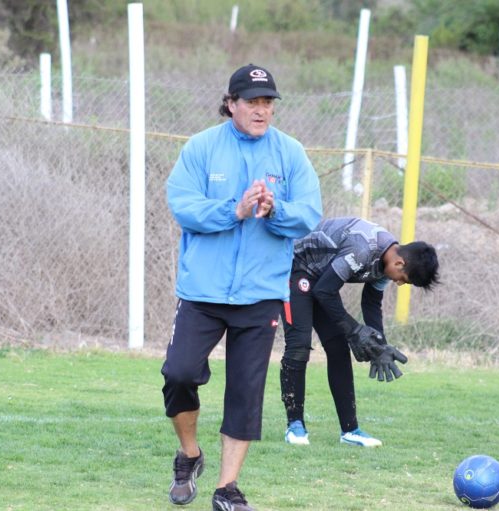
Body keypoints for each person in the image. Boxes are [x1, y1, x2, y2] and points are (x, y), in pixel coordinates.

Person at [161, 64, 323, 511]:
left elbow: (309, 213)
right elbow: (183, 206)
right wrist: (234, 211)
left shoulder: (290, 153)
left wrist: (275, 211)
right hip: (203, 293)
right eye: (252, 101)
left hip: (261, 293)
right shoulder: (201, 148)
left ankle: (226, 488)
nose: (261, 109)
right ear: (230, 103)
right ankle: (190, 454)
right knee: (178, 374)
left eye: (268, 102)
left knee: (245, 392)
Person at [279, 216, 439, 447]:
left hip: (321, 280)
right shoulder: (363, 249)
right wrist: (355, 331)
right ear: (400, 264)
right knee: (299, 345)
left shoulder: (388, 263)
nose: (400, 283)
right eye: (404, 279)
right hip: (296, 268)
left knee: (338, 348)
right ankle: (295, 426)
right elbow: (325, 291)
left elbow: (371, 303)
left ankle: (350, 431)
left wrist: (379, 345)